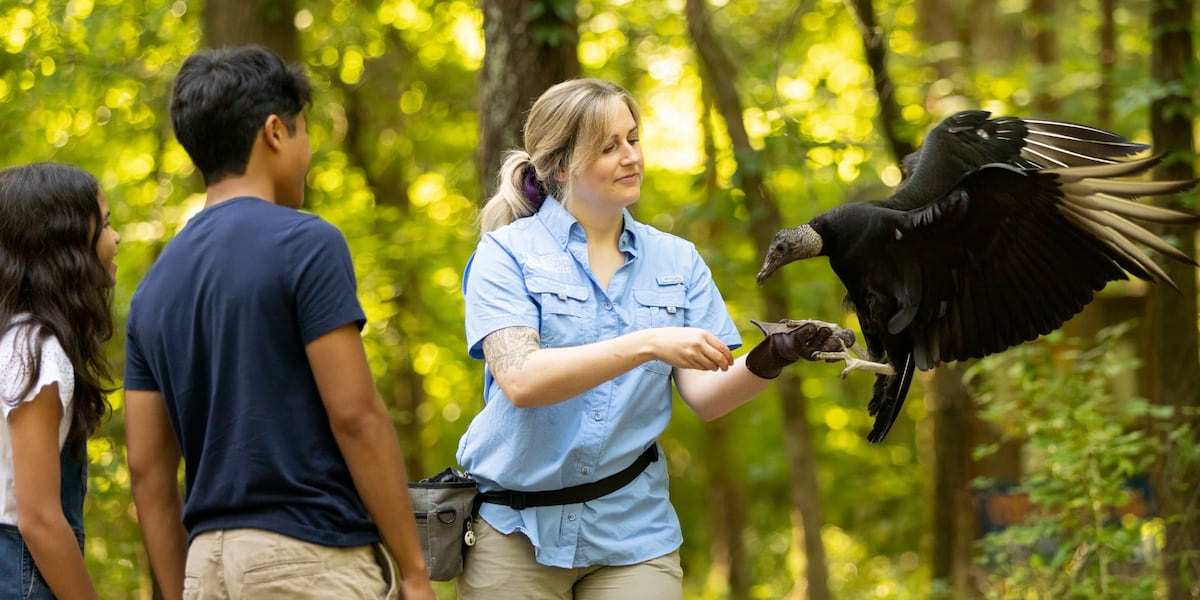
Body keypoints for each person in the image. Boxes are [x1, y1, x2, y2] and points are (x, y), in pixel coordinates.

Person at [457, 77, 853, 599]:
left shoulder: (677, 259)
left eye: (633, 138)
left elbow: (706, 397)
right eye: (608, 146)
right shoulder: (505, 255)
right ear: (559, 165)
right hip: (513, 533)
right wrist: (647, 342)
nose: (631, 157)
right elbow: (522, 381)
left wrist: (776, 354)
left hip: (633, 534)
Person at [123, 45, 434, 600]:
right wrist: (412, 569)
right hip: (308, 560)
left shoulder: (154, 288)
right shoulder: (306, 242)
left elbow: (147, 471)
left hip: (206, 566)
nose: (309, 149)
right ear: (274, 132)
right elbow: (356, 416)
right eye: (304, 131)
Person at [0, 162, 120, 599]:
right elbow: (40, 519)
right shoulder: (35, 350)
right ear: (65, 247)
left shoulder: (11, 339)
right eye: (105, 225)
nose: (116, 237)